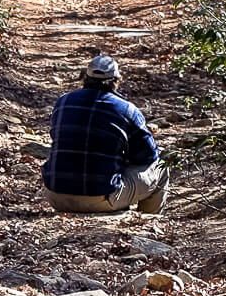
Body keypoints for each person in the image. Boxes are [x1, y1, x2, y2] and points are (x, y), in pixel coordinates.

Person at [42, 53, 169, 215]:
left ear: (85, 77)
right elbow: (148, 156)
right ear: (116, 81)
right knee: (161, 167)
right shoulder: (127, 110)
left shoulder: (63, 102)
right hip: (101, 197)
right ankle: (147, 223)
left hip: (55, 195)